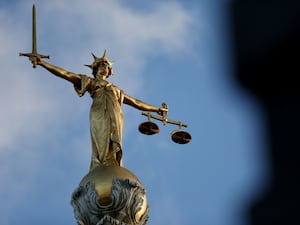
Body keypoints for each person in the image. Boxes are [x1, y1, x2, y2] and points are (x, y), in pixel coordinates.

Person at [29, 51, 167, 171]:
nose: (105, 67)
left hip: (116, 114)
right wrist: (42, 63)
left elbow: (136, 102)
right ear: (95, 68)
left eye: (107, 65)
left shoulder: (117, 90)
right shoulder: (90, 81)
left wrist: (157, 109)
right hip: (99, 112)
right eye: (102, 65)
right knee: (101, 138)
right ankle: (101, 164)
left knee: (115, 140)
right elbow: (66, 74)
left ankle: (112, 162)